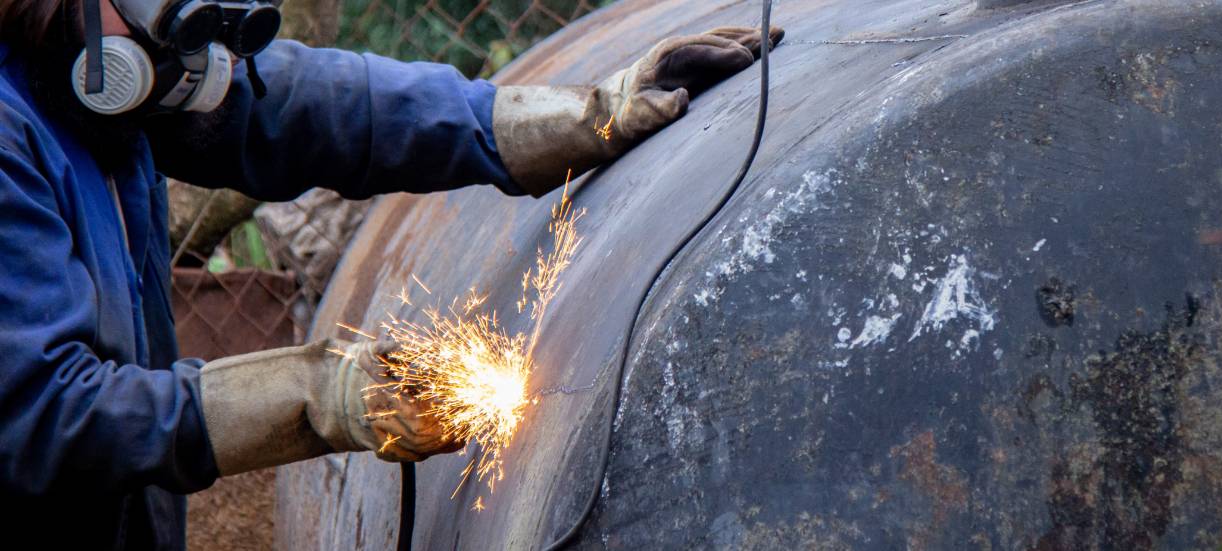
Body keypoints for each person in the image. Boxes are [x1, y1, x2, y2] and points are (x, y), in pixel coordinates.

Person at [0, 0, 783, 547]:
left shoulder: (103, 85)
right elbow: (42, 413)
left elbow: (312, 107)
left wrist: (573, 116)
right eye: (184, 21)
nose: (196, 61)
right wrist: (324, 395)